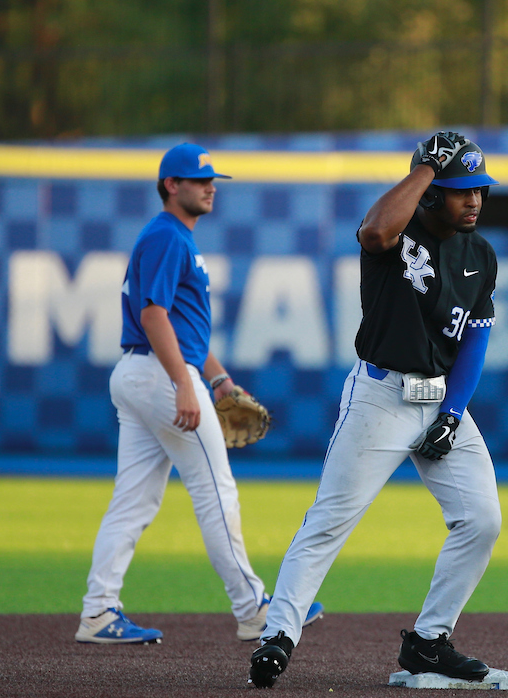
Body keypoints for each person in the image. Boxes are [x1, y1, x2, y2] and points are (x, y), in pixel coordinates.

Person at [249, 131, 503, 688]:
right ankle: (279, 636)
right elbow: (375, 230)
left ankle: (430, 643)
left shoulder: (481, 255)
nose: (475, 201)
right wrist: (427, 171)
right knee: (330, 520)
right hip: (380, 396)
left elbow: (475, 345)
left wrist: (454, 414)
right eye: (462, 191)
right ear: (432, 193)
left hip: (441, 400)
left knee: (482, 520)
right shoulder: (397, 232)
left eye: (480, 190)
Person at [77, 142, 323, 645]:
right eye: (199, 180)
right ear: (171, 185)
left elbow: (183, 330)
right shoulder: (168, 236)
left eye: (213, 180)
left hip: (143, 373)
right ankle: (253, 608)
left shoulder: (171, 237)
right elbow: (153, 316)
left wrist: (218, 378)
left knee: (133, 502)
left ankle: (98, 611)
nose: (211, 187)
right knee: (216, 492)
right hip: (160, 376)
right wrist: (184, 383)